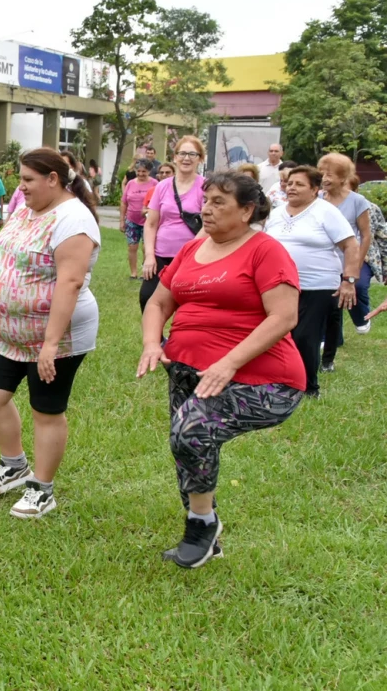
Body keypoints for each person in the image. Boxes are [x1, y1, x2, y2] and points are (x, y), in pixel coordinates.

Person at [138, 171, 304, 568]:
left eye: (218, 203)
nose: (205, 209)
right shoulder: (192, 251)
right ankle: (206, 536)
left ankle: (201, 525)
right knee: (187, 447)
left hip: (265, 378)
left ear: (247, 211)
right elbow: (159, 303)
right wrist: (150, 342)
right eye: (206, 200)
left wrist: (228, 362)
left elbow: (284, 317)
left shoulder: (265, 251)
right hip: (186, 371)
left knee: (191, 431)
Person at [0, 148, 100, 519]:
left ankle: (42, 489)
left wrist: (50, 344)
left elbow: (70, 283)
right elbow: (7, 258)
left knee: (46, 409)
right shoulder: (28, 209)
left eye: (28, 180)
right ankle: (14, 465)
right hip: (9, 331)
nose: (21, 187)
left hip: (56, 336)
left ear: (53, 179)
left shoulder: (73, 220)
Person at [264, 165, 359, 397]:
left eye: (299, 184)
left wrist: (348, 280)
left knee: (306, 337)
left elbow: (350, 245)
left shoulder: (325, 212)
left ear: (315, 189)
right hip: (281, 286)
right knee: (277, 335)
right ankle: (278, 382)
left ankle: (307, 388)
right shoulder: (276, 213)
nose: (291, 188)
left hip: (318, 286)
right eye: (289, 183)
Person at [140, 136, 207, 312]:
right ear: (175, 157)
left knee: (186, 305)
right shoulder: (162, 187)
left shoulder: (205, 187)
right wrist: (149, 256)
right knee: (147, 299)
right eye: (182, 153)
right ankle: (156, 339)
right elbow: (151, 224)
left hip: (192, 257)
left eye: (192, 154)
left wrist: (188, 253)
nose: (187, 158)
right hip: (161, 254)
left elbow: (208, 225)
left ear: (200, 158)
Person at [318, 154, 372, 350]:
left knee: (353, 290)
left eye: (329, 174)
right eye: (321, 173)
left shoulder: (358, 201)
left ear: (342, 177)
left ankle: (361, 319)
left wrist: (356, 265)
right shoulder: (317, 199)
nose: (324, 178)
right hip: (324, 261)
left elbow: (365, 235)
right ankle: (331, 337)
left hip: (348, 258)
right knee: (329, 299)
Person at [121, 159, 158, 280]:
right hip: (132, 219)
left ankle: (145, 272)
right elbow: (124, 202)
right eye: (139, 171)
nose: (141, 174)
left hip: (148, 220)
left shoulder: (155, 183)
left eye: (144, 171)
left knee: (146, 247)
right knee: (132, 246)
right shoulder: (131, 183)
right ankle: (133, 272)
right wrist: (122, 220)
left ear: (149, 171)